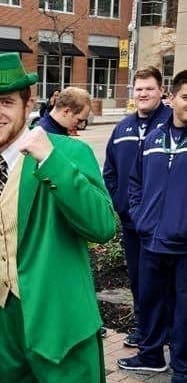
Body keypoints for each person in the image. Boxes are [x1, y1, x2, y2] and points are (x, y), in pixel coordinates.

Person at [0, 52, 115, 383]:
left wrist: (50, 160)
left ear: (27, 104)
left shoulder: (69, 152)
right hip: (8, 326)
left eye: (6, 102)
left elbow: (102, 226)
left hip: (64, 327)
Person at [117, 70, 187, 382]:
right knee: (150, 301)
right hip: (151, 240)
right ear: (173, 99)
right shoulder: (155, 137)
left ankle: (182, 369)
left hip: (184, 245)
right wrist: (140, 216)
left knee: (184, 311)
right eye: (185, 97)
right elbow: (134, 181)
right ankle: (151, 355)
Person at [103, 66, 171, 349]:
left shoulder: (173, 123)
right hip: (132, 223)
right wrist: (121, 204)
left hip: (165, 225)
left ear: (161, 91)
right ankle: (144, 329)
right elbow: (110, 172)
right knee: (138, 279)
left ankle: (165, 333)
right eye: (139, 89)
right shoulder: (122, 129)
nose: (143, 94)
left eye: (149, 89)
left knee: (165, 282)